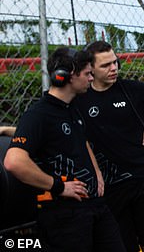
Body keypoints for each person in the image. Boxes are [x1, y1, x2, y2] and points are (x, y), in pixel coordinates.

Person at [3, 47, 125, 252]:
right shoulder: (39, 115)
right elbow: (13, 161)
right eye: (87, 74)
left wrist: (97, 173)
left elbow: (81, 140)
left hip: (94, 205)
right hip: (65, 215)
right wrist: (59, 186)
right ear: (66, 76)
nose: (91, 78)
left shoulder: (71, 107)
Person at [73, 41, 144, 252]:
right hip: (111, 187)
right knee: (121, 245)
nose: (113, 68)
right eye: (105, 65)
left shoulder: (131, 89)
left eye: (115, 62)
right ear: (91, 69)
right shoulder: (81, 99)